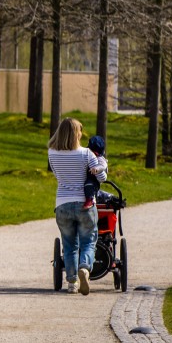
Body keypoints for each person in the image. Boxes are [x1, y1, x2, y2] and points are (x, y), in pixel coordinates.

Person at [47, 117, 99, 295]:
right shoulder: (86, 154)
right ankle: (84, 268)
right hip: (84, 203)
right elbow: (100, 177)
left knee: (69, 245)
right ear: (76, 134)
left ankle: (71, 282)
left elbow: (56, 174)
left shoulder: (52, 153)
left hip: (63, 203)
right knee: (89, 241)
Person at [83, 135, 108, 209]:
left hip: (94, 179)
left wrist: (96, 169)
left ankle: (89, 200)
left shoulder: (100, 158)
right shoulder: (86, 154)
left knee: (89, 184)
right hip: (88, 175)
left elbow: (103, 165)